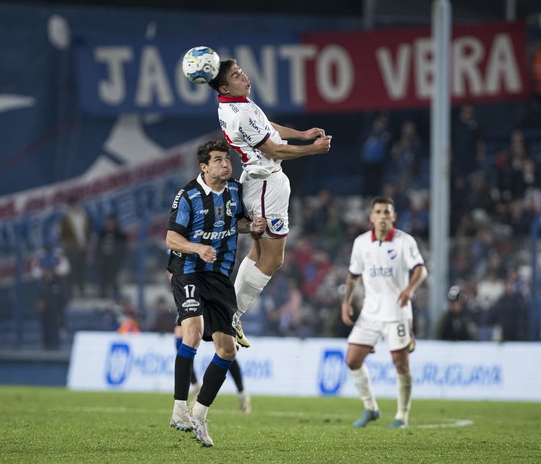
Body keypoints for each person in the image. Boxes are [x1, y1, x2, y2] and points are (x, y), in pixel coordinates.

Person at [208, 58, 332, 347]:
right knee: (273, 259)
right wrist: (312, 149)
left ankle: (231, 313)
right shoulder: (238, 114)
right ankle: (231, 314)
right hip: (265, 185)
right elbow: (274, 148)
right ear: (225, 86)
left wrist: (301, 134)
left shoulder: (236, 104)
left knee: (257, 254)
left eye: (242, 71)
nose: (245, 76)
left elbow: (265, 127)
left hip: (262, 181)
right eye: (237, 75)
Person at [166, 139, 265, 447]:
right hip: (189, 271)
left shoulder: (235, 191)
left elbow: (238, 224)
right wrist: (197, 248)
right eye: (219, 159)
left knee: (227, 350)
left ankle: (199, 413)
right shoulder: (188, 195)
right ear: (204, 166)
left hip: (220, 276)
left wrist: (255, 225)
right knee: (192, 334)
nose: (226, 163)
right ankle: (178, 409)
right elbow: (171, 238)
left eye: (227, 158)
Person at [340, 196, 427, 429]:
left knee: (400, 363)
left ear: (394, 217)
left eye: (387, 212)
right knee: (352, 360)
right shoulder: (361, 243)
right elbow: (353, 275)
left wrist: (409, 289)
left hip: (397, 312)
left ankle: (402, 415)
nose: (382, 216)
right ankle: (371, 408)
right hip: (370, 312)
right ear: (371, 217)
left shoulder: (404, 242)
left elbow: (421, 270)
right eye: (378, 212)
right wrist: (346, 302)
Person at [173, 324, 251, 414]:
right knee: (180, 332)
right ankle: (195, 386)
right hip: (198, 309)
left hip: (217, 310)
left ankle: (242, 393)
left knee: (225, 347)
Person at [60, 196, 90, 297]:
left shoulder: (84, 217)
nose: (76, 207)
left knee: (81, 269)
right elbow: (63, 234)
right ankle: (71, 292)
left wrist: (86, 242)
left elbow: (88, 231)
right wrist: (70, 244)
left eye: (77, 205)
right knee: (72, 270)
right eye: (74, 205)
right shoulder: (66, 220)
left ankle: (82, 290)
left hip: (83, 248)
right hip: (72, 249)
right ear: (70, 206)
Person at [95, 213, 128, 298]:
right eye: (108, 222)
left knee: (114, 278)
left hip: (114, 261)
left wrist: (119, 259)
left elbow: (123, 249)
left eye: (112, 222)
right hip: (104, 260)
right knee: (104, 277)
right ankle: (103, 294)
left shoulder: (120, 235)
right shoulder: (102, 233)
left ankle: (116, 294)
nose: (110, 224)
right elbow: (98, 248)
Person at [35, 267, 68, 350]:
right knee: (46, 339)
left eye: (50, 274)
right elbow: (39, 300)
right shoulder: (42, 287)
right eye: (46, 274)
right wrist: (40, 305)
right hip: (45, 317)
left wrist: (51, 305)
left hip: (56, 316)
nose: (48, 276)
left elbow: (63, 300)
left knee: (55, 339)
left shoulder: (59, 286)